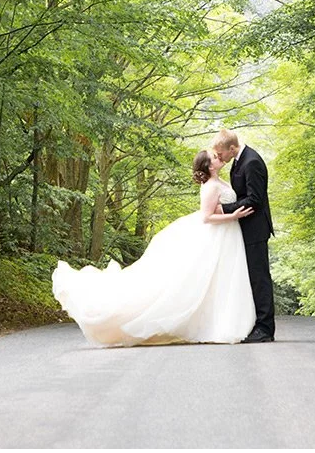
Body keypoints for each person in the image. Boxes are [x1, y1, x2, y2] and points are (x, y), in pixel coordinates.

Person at [50, 148, 255, 345]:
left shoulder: (219, 181)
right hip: (217, 233)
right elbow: (207, 217)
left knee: (217, 280)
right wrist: (233, 216)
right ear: (209, 166)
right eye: (214, 156)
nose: (218, 156)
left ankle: (217, 320)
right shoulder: (210, 186)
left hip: (226, 236)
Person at [210, 129, 275, 342]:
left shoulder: (252, 162)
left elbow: (254, 199)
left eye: (221, 154)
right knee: (250, 278)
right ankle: (255, 323)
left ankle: (265, 329)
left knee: (259, 278)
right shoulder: (239, 161)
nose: (219, 158)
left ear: (232, 148)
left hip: (255, 228)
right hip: (244, 228)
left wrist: (224, 209)